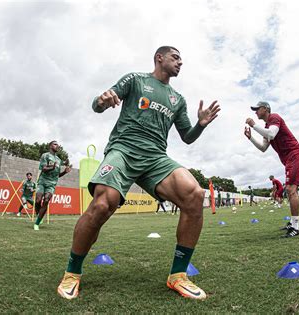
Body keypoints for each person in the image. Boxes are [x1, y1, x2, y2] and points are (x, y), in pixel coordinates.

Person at [57, 46, 220, 300]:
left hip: (155, 157)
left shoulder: (178, 99)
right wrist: (102, 99)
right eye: (175, 57)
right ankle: (72, 272)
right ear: (160, 58)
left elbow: (187, 138)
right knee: (102, 204)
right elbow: (97, 105)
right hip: (123, 149)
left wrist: (200, 125)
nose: (180, 62)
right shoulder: (135, 80)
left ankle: (178, 276)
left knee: (194, 194)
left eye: (181, 59)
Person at [245, 101, 299, 237]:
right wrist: (251, 138)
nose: (255, 112)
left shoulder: (274, 118)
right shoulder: (266, 127)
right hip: (288, 159)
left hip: (294, 155)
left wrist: (253, 125)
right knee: (290, 190)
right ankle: (292, 222)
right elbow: (263, 148)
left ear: (265, 109)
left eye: (257, 109)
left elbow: (271, 134)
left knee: (291, 189)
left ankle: (296, 226)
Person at [34, 141, 72, 230]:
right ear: (50, 146)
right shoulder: (45, 155)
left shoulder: (58, 160)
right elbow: (43, 168)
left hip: (52, 184)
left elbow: (57, 175)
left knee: (46, 200)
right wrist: (52, 167)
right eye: (55, 144)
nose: (57, 146)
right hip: (42, 181)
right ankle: (39, 214)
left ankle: (37, 223)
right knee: (38, 200)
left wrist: (64, 172)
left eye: (58, 145)